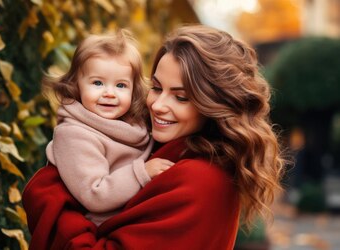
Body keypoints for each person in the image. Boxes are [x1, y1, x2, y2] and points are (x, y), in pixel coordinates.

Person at [22, 25, 286, 249]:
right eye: (156, 87)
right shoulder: (162, 147)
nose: (158, 105)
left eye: (180, 97)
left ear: (214, 105)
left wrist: (48, 195)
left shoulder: (202, 181)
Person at [41, 30, 174, 226]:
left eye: (121, 85)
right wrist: (142, 172)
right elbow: (94, 194)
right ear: (76, 86)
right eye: (97, 83)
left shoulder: (133, 126)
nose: (109, 93)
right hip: (97, 229)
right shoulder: (75, 135)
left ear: (134, 90)